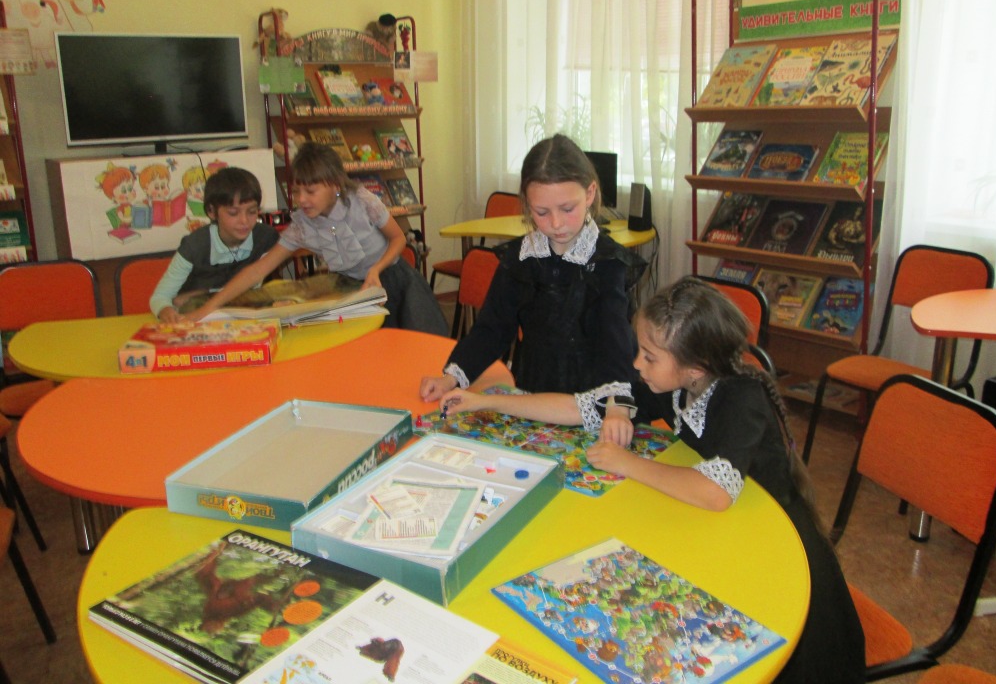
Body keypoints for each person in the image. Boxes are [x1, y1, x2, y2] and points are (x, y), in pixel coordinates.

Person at [439, 276, 866, 683]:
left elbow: (715, 492)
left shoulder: (741, 398)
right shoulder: (673, 384)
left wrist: (626, 462)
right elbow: (577, 408)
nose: (636, 364)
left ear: (695, 366)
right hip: (718, 535)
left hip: (784, 565)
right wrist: (487, 403)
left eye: (648, 356)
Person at [420, 134, 646, 403]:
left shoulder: (607, 263)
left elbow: (615, 343)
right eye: (542, 212)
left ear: (589, 193)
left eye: (567, 208)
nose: (556, 223)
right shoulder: (522, 258)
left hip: (593, 399)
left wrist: (618, 406)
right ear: (528, 205)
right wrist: (450, 378)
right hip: (534, 394)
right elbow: (492, 329)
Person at [185, 142, 448, 336]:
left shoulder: (362, 201)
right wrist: (208, 308)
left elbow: (398, 239)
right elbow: (257, 270)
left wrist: (376, 269)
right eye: (297, 191)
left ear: (334, 185)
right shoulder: (303, 225)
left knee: (418, 349)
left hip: (394, 280)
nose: (302, 200)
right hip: (353, 291)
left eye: (310, 191)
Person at [150, 167, 279, 323]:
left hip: (240, 314)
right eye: (233, 213)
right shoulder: (194, 246)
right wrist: (166, 310)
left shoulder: (266, 238)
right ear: (212, 211)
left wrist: (203, 292)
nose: (244, 221)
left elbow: (251, 288)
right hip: (196, 316)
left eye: (252, 211)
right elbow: (160, 297)